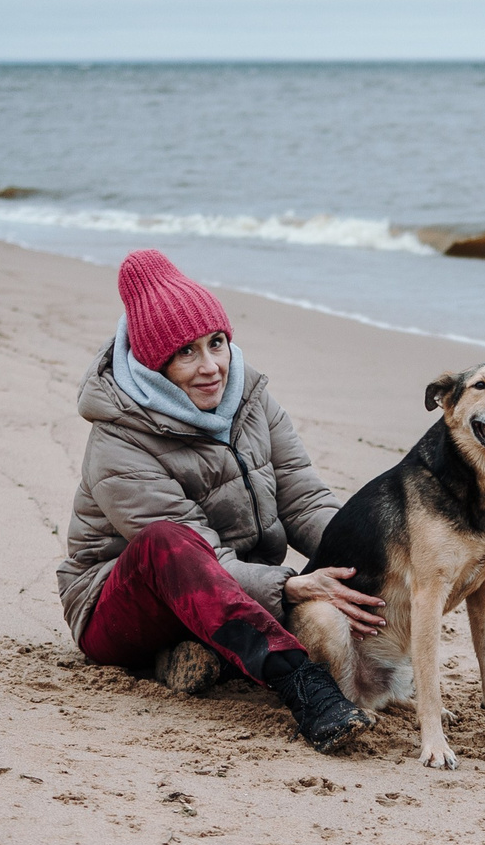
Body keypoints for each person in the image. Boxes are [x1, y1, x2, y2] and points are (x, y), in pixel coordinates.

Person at [58, 249, 388, 750]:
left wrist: (375, 550)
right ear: (154, 363)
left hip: (232, 592)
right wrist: (294, 586)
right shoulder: (119, 441)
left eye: (217, 343)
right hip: (117, 609)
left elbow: (304, 501)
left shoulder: (252, 400)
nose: (211, 366)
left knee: (362, 559)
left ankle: (193, 654)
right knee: (168, 541)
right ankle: (303, 685)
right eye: (187, 352)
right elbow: (204, 559)